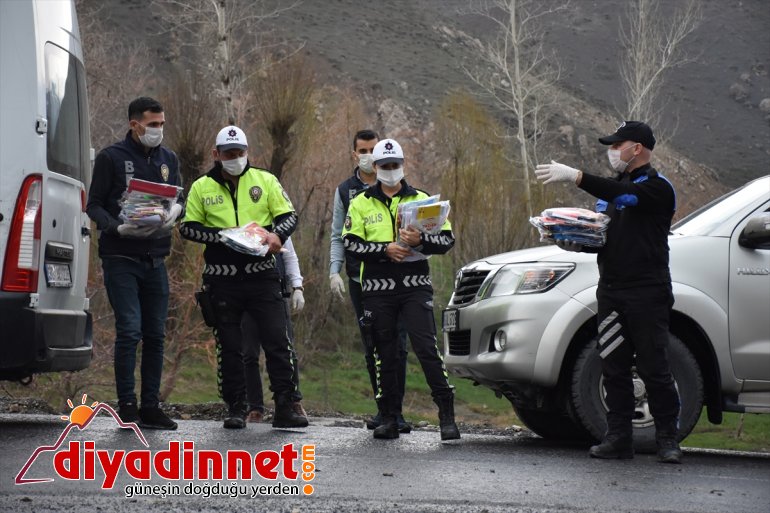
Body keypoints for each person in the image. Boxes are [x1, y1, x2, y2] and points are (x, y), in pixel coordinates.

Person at [535, 121, 682, 464]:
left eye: (619, 144)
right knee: (612, 366)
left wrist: (575, 176)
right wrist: (570, 240)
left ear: (638, 148)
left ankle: (668, 439)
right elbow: (601, 238)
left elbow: (627, 197)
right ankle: (618, 438)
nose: (613, 150)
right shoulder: (613, 192)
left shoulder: (657, 187)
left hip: (648, 292)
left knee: (654, 367)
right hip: (612, 292)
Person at [179, 125, 307, 430]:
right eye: (229, 154)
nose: (235, 158)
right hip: (222, 280)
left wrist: (277, 235)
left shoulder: (265, 180)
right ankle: (236, 407)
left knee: (278, 341)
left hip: (262, 275)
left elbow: (289, 215)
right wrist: (224, 237)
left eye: (240, 153)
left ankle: (286, 406)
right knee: (230, 345)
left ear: (247, 152)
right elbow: (187, 227)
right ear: (216, 154)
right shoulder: (201, 187)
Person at [342, 138, 459, 440]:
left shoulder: (423, 200)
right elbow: (350, 243)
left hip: (414, 287)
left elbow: (447, 241)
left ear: (403, 165)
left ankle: (446, 414)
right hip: (377, 290)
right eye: (385, 165)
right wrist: (385, 250)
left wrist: (421, 242)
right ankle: (390, 417)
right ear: (376, 167)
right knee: (385, 353)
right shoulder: (360, 202)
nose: (390, 170)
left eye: (395, 165)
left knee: (425, 347)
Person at [86, 96, 183, 430]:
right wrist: (117, 226)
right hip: (121, 257)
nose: (158, 130)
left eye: (161, 124)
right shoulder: (111, 158)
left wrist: (174, 213)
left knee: (156, 334)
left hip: (156, 257)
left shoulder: (168, 158)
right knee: (130, 330)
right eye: (152, 125)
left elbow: (177, 197)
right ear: (134, 124)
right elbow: (94, 205)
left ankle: (151, 406)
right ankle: (127, 406)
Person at [329, 129, 410, 432]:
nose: (368, 155)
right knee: (372, 345)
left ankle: (397, 411)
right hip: (359, 279)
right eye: (363, 150)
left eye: (372, 150)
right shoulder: (345, 190)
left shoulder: (395, 184)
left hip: (396, 279)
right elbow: (338, 233)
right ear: (355, 154)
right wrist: (333, 270)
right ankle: (382, 409)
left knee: (398, 344)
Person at [243, 237, 306, 423]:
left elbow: (290, 256)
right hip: (243, 291)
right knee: (248, 352)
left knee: (286, 349)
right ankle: (254, 407)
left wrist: (297, 286)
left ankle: (293, 400)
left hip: (276, 291)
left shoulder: (278, 222)